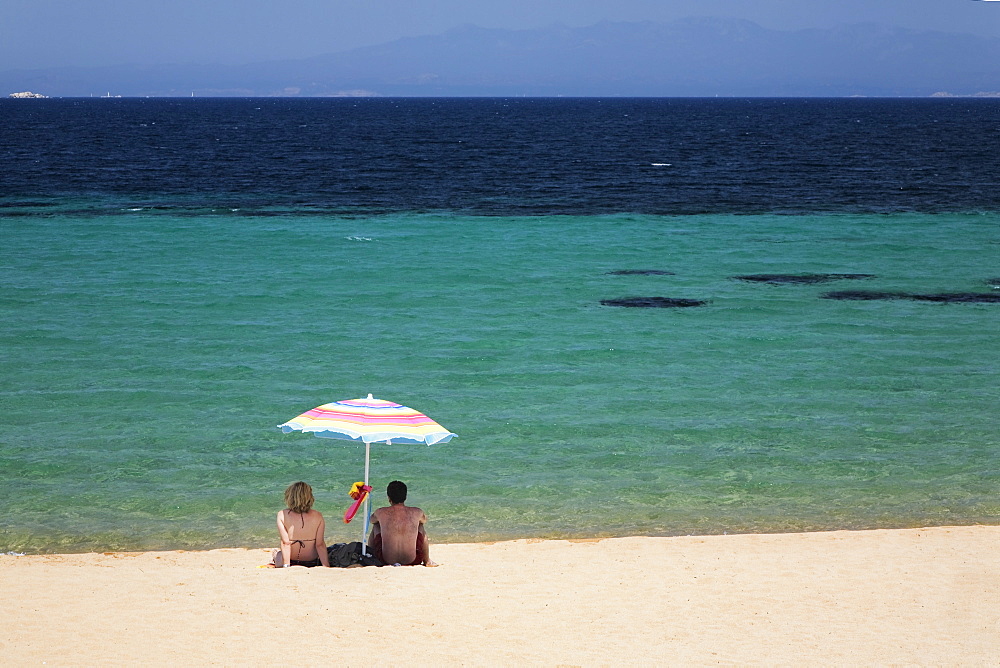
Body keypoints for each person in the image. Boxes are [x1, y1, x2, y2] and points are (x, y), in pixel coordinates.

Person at [368, 480, 437, 567]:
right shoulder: (417, 512)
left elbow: (371, 520)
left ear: (389, 498)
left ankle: (370, 557)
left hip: (385, 560)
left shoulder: (381, 512)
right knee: (420, 526)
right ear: (405, 497)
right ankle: (427, 561)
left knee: (376, 526)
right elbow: (424, 520)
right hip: (413, 560)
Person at [271, 481, 330, 568]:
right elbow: (319, 544)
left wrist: (287, 566)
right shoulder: (318, 516)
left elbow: (286, 543)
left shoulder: (282, 514)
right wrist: (326, 565)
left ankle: (281, 559)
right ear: (310, 497)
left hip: (291, 560)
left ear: (290, 497)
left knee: (277, 553)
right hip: (312, 561)